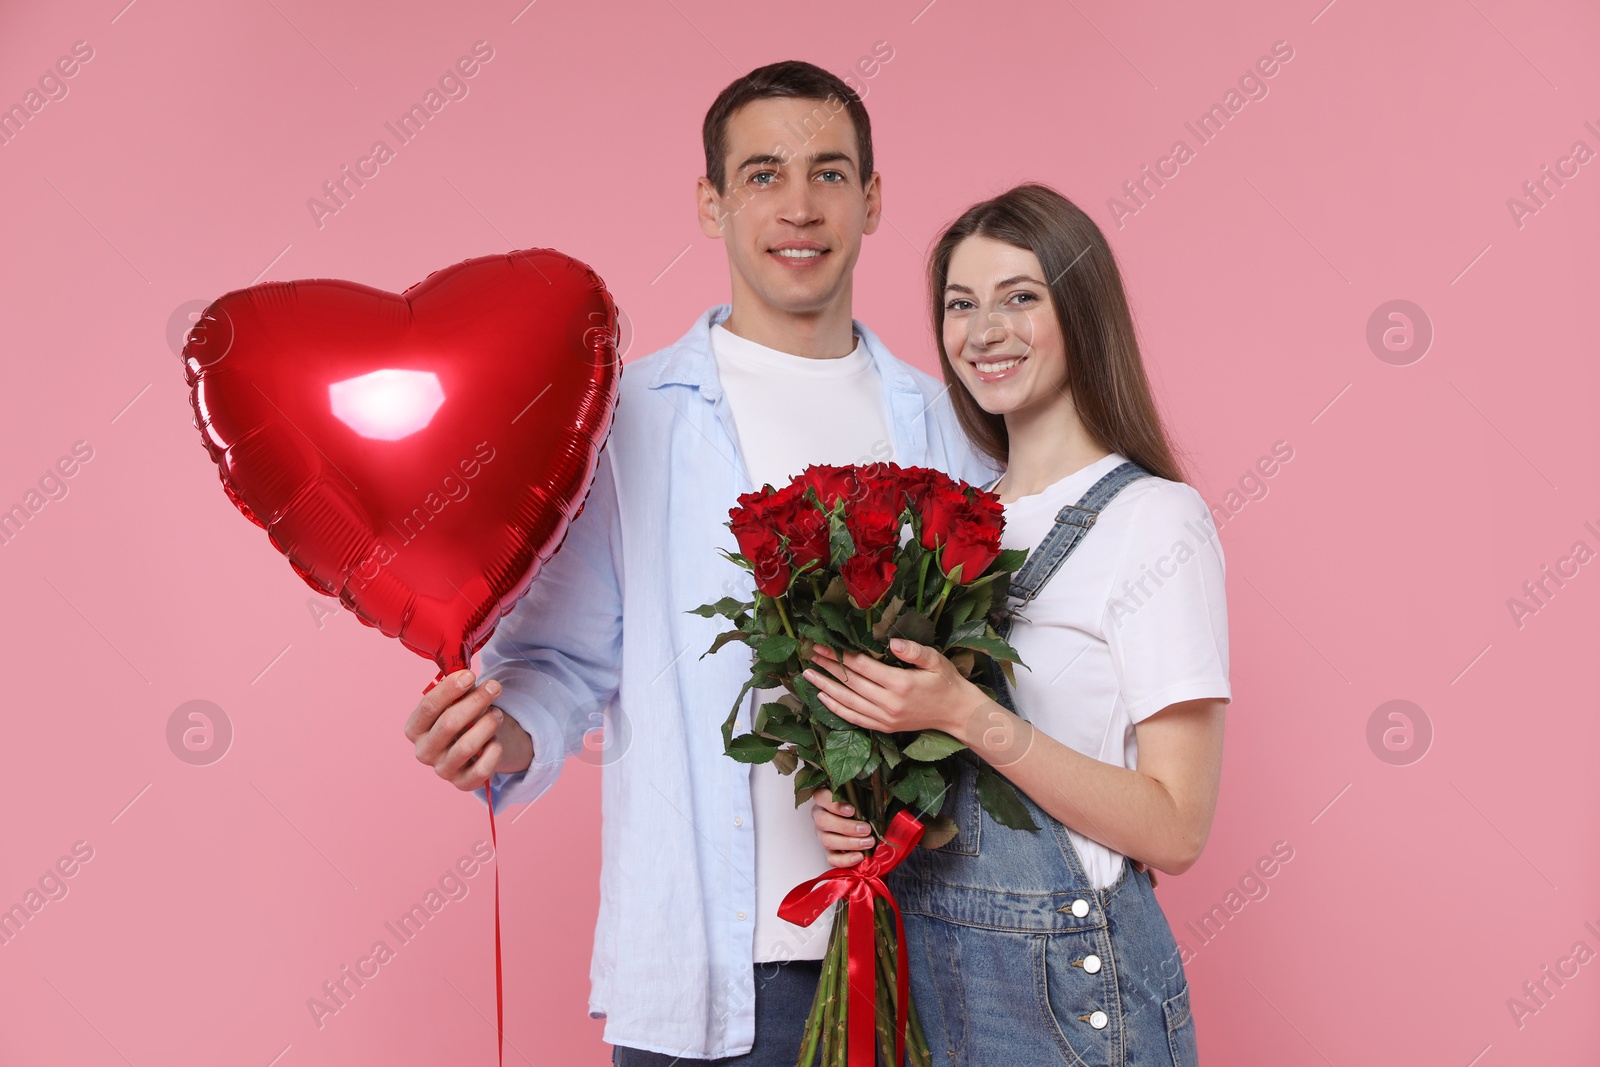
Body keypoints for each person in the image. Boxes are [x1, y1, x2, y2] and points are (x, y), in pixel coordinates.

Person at [401, 61, 995, 1064]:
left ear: (874, 198)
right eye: (762, 175)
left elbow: (990, 686)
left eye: (829, 174)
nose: (798, 207)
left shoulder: (950, 428)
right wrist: (497, 734)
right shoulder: (629, 422)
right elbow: (566, 665)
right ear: (711, 202)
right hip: (715, 979)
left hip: (920, 955)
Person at [805, 183, 1229, 1065]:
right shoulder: (943, 523)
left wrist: (965, 713)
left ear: (1082, 310)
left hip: (1069, 993)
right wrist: (864, 811)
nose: (983, 330)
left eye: (1020, 297)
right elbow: (941, 782)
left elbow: (1176, 827)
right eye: (961, 305)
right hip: (928, 977)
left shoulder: (1154, 521)